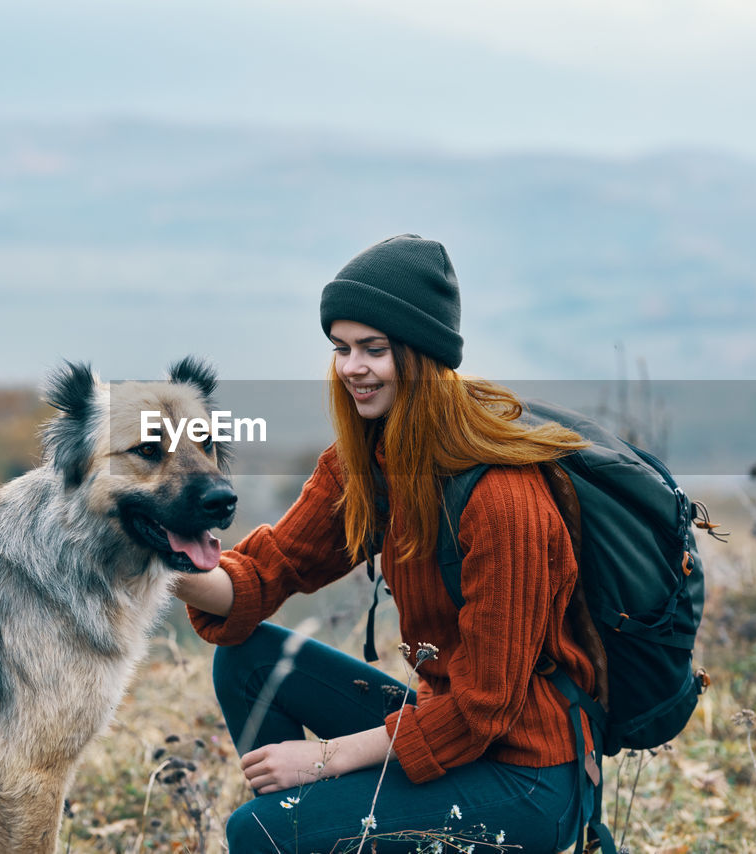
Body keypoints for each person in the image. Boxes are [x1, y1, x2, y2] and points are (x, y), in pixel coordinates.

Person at [174, 234, 600, 854]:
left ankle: (297, 828)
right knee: (249, 658)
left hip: (527, 776)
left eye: (374, 349)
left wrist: (324, 759)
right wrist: (154, 563)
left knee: (259, 830)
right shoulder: (371, 462)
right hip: (446, 730)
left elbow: (484, 709)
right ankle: (315, 829)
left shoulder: (503, 498)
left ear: (422, 354)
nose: (352, 368)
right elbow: (266, 574)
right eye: (341, 348)